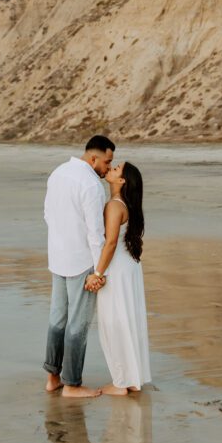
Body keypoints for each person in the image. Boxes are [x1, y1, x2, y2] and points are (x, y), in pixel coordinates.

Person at [43, 136, 115, 398]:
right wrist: (99, 272)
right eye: (107, 162)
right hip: (81, 261)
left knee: (57, 319)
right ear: (93, 158)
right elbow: (96, 234)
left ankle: (53, 378)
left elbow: (47, 214)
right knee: (78, 325)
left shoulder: (58, 172)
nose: (108, 168)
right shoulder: (91, 185)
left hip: (57, 257)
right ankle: (72, 384)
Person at [90, 162, 152, 396]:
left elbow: (111, 242)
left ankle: (121, 382)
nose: (112, 169)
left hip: (116, 269)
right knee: (128, 319)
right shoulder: (128, 205)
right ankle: (132, 379)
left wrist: (97, 273)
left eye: (116, 169)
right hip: (130, 267)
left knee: (114, 321)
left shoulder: (114, 206)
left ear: (122, 181)